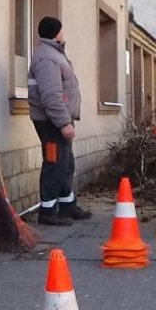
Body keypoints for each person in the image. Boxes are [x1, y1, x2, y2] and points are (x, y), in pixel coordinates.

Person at [28, 16, 91, 226]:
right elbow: (50, 95)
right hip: (52, 122)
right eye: (62, 30)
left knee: (66, 163)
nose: (64, 33)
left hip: (58, 120)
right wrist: (64, 123)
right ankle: (47, 212)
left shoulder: (54, 54)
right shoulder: (47, 58)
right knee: (55, 164)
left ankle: (67, 206)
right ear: (56, 32)